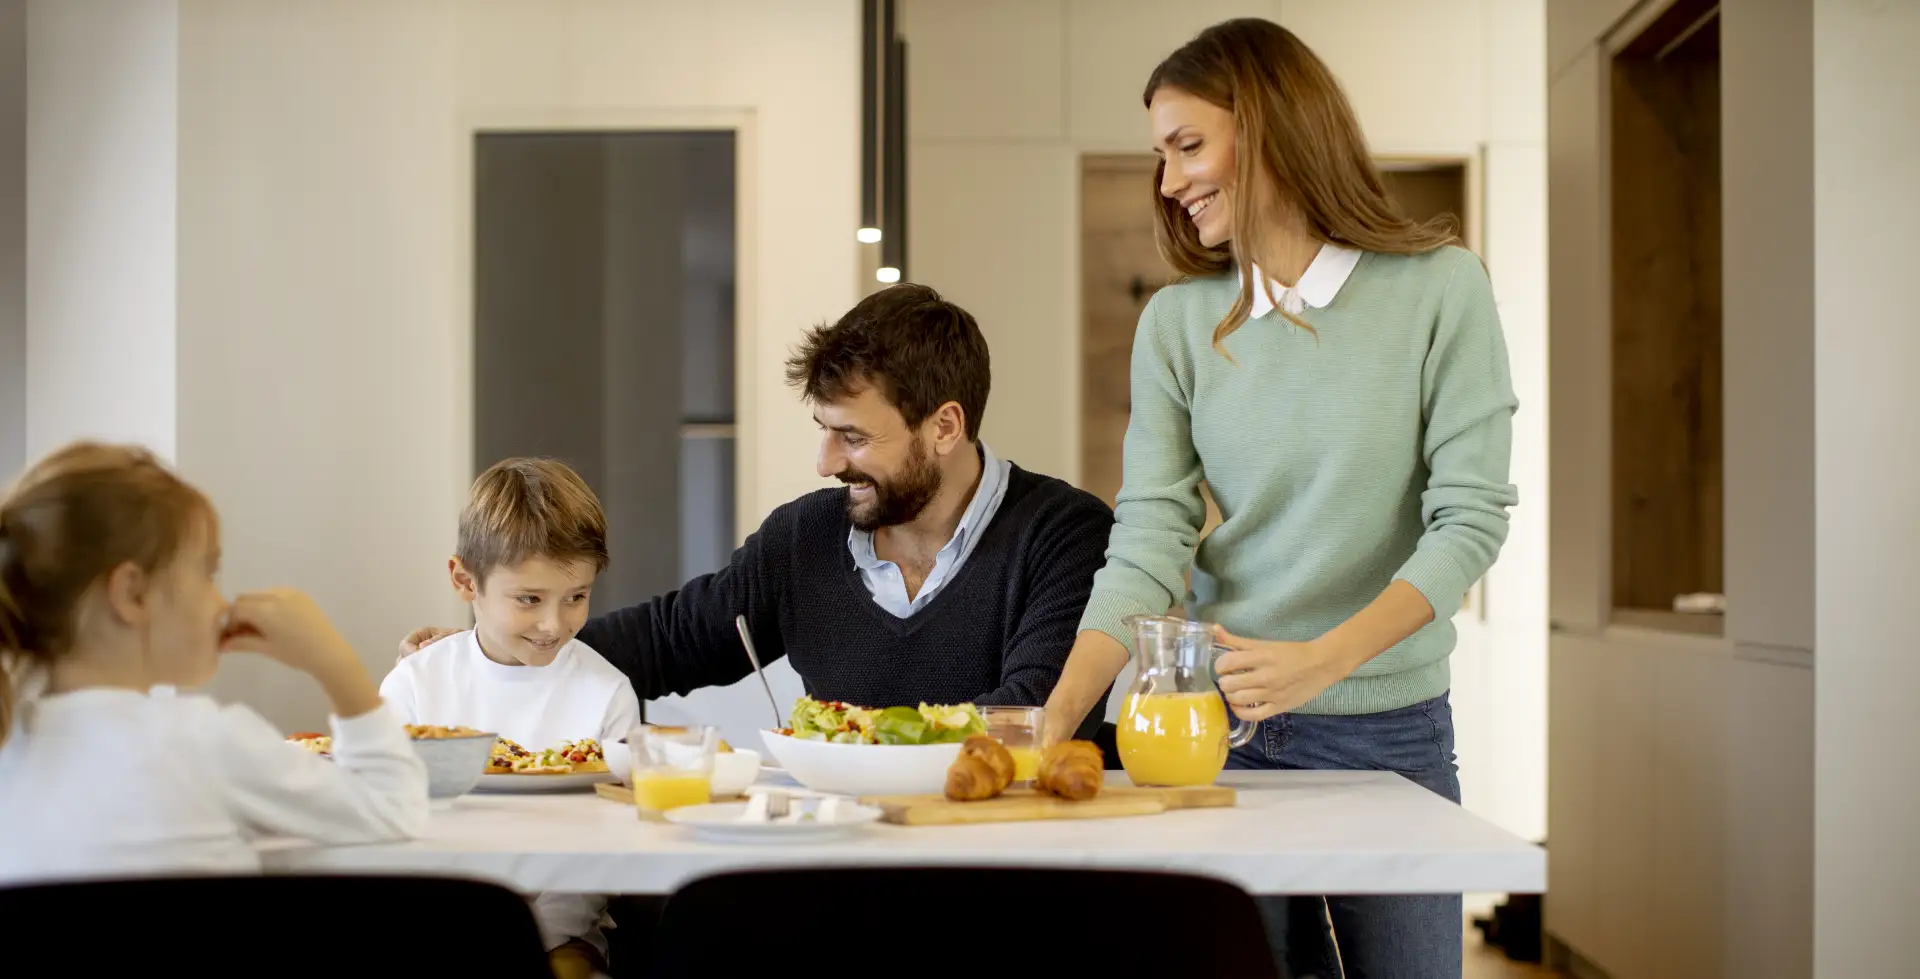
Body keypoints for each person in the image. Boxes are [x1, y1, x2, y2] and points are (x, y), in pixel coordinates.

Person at [1040, 19, 1518, 979]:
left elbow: (1469, 518)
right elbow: (1149, 538)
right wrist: (1055, 718)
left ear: (1264, 129)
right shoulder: (1175, 323)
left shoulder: (1440, 289)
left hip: (1392, 727)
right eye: (1161, 156)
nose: (1170, 182)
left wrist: (1321, 662)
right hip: (1218, 732)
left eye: (1188, 146)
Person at [404, 284, 1114, 736]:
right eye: (824, 431)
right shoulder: (805, 537)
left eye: (854, 437)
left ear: (945, 426)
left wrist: (861, 739)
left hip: (1008, 874)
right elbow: (669, 638)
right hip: (848, 867)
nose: (827, 463)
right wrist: (493, 643)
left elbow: (1026, 710)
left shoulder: (1062, 534)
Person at [0, 442, 428, 884]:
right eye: (208, 573)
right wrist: (332, 661)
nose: (221, 601)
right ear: (132, 594)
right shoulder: (204, 741)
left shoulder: (10, 746)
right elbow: (394, 808)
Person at [380, 456, 638, 978]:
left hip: (562, 934)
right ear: (464, 581)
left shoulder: (606, 691)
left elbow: (603, 848)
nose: (553, 623)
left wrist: (527, 936)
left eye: (576, 598)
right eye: (528, 599)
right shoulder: (414, 685)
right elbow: (386, 825)